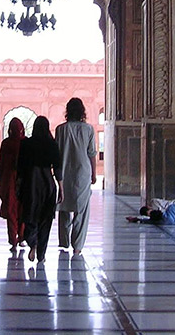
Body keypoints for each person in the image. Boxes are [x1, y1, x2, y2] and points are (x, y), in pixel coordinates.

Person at [54, 97, 97, 255]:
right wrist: (94, 173)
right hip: (82, 173)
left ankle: (64, 242)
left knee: (64, 206)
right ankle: (77, 246)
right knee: (82, 209)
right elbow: (91, 153)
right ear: (82, 112)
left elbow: (57, 152)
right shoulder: (88, 129)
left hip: (64, 173)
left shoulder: (61, 129)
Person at [16, 115, 60, 263]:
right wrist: (61, 188)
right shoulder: (52, 144)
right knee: (45, 220)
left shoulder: (26, 144)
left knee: (30, 217)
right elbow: (58, 168)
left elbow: (20, 167)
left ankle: (32, 243)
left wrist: (18, 186)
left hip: (31, 185)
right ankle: (41, 254)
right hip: (47, 185)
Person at [0, 116, 27, 249]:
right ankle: (21, 237)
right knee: (22, 209)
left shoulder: (6, 143)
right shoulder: (25, 142)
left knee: (11, 210)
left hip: (9, 181)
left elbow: (1, 164)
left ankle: (12, 239)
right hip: (23, 180)